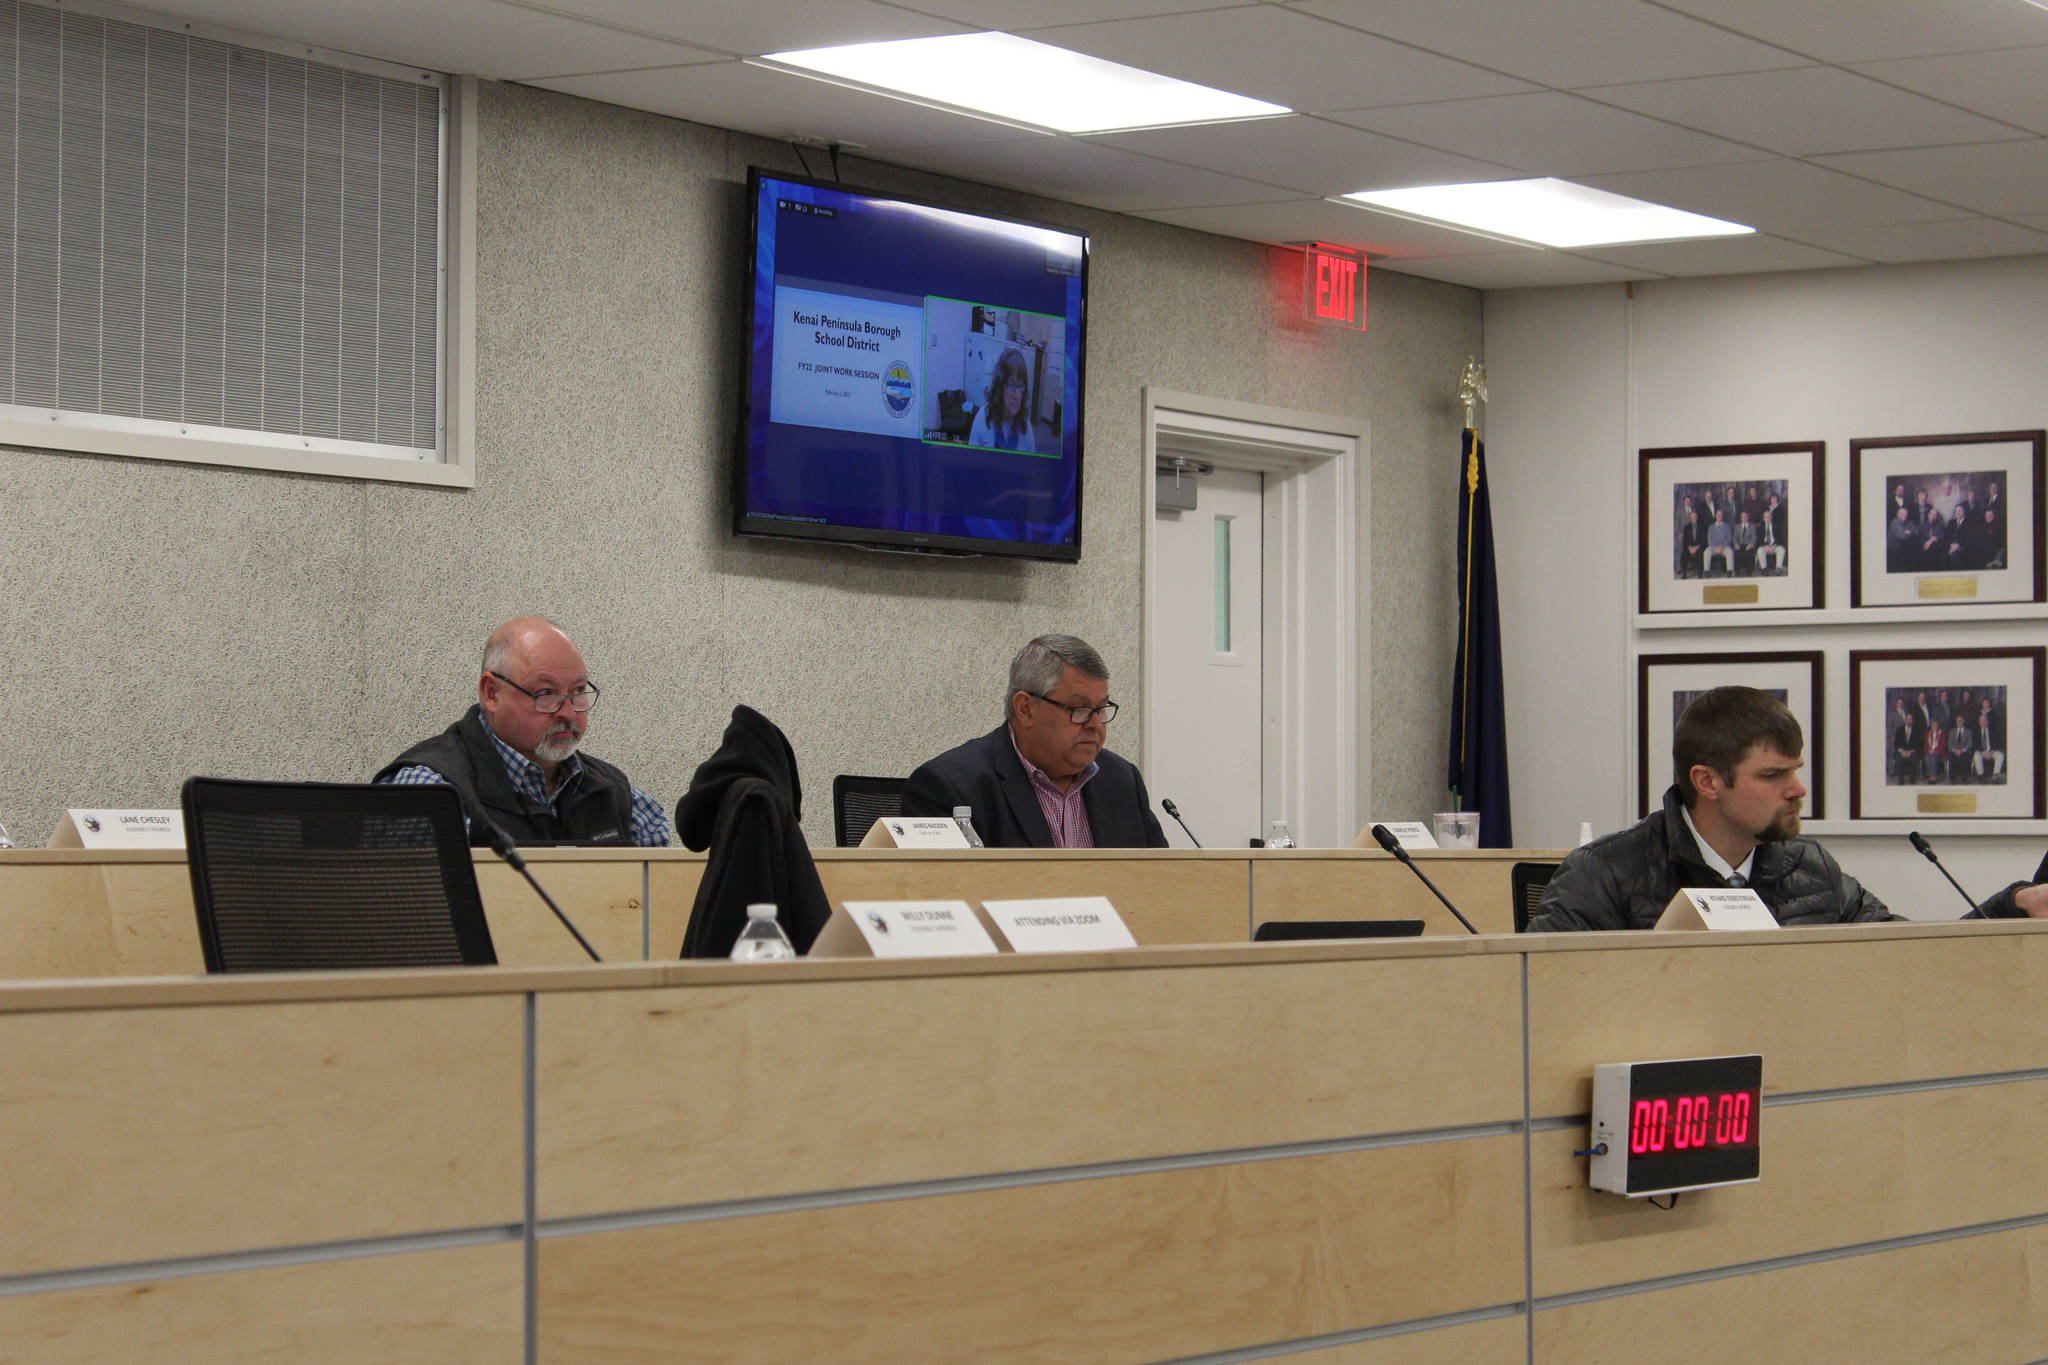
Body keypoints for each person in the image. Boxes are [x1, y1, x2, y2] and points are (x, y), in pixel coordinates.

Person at [1529, 686, 2047, 931]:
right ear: (1707, 781)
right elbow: (1543, 1002)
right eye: (1774, 775)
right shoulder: (1606, 873)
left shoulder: (1811, 868)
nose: (1798, 789)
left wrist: (2013, 907)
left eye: (1795, 770)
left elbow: (1908, 958)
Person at [375, 616, 671, 846]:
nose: (567, 712)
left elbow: (656, 906)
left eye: (578, 691)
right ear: (492, 693)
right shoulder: (432, 792)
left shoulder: (616, 794)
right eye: (546, 693)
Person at [903, 633, 1167, 848]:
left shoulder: (1122, 781)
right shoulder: (950, 788)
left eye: (1100, 709)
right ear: (1025, 709)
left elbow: (1160, 885)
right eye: (1079, 709)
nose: (1095, 725)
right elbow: (942, 899)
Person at [970, 347, 1038, 454]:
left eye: (1020, 386)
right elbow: (970, 464)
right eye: (1012, 386)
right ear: (1000, 386)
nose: (1017, 395)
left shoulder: (1026, 427)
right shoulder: (982, 419)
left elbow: (1031, 467)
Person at [1704, 507, 1734, 575]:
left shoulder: (1727, 526)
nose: (1719, 516)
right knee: (1706, 552)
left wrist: (1722, 547)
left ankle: (1730, 571)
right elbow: (1709, 539)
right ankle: (1706, 571)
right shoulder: (1711, 527)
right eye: (1718, 515)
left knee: (1730, 552)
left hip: (1724, 547)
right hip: (1713, 547)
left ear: (1723, 516)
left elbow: (1729, 539)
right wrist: (1715, 547)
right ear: (1715, 516)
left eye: (1721, 515)